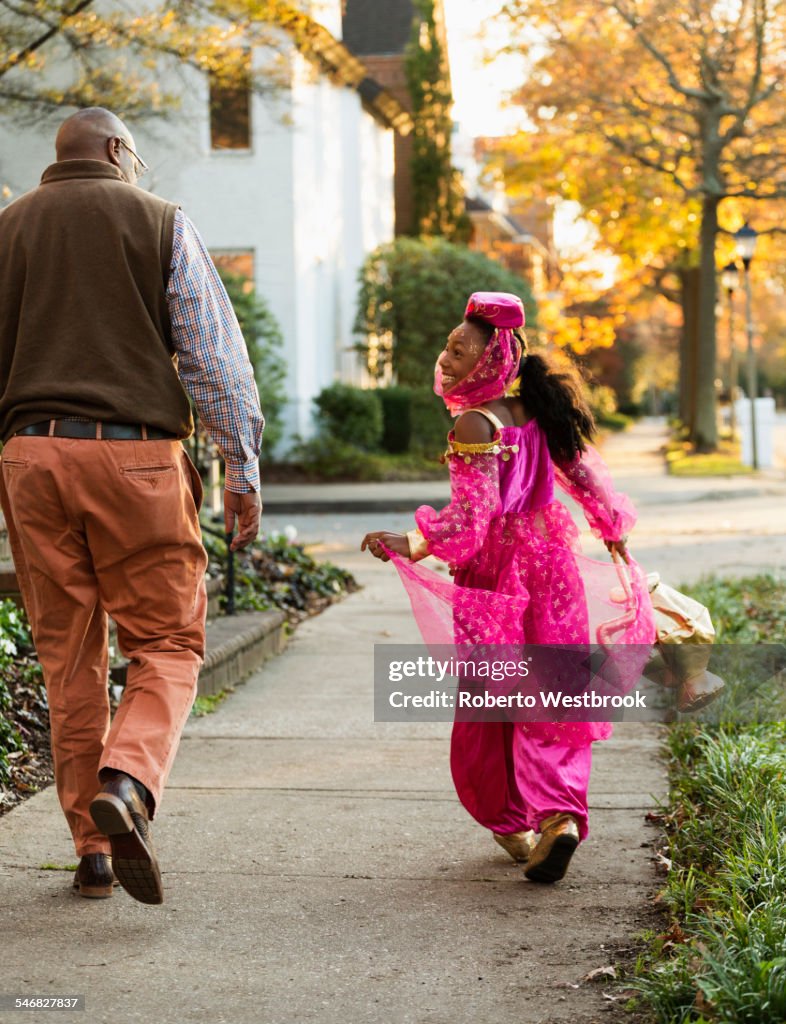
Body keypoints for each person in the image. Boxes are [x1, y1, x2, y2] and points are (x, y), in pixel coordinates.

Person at [0, 108, 264, 905]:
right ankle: (128, 780)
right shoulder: (160, 223)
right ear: (117, 151)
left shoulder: (6, 229)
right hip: (138, 458)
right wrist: (240, 467)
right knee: (169, 643)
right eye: (136, 157)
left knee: (67, 661)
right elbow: (214, 358)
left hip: (31, 458)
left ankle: (91, 848)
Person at [362, 291, 654, 883]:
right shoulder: (534, 413)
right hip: (555, 570)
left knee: (492, 702)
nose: (445, 358)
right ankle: (559, 818)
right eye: (447, 345)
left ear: (491, 360)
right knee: (554, 696)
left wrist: (411, 541)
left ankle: (513, 819)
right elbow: (585, 479)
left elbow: (473, 521)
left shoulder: (476, 423)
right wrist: (613, 533)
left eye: (460, 350)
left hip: (499, 581)